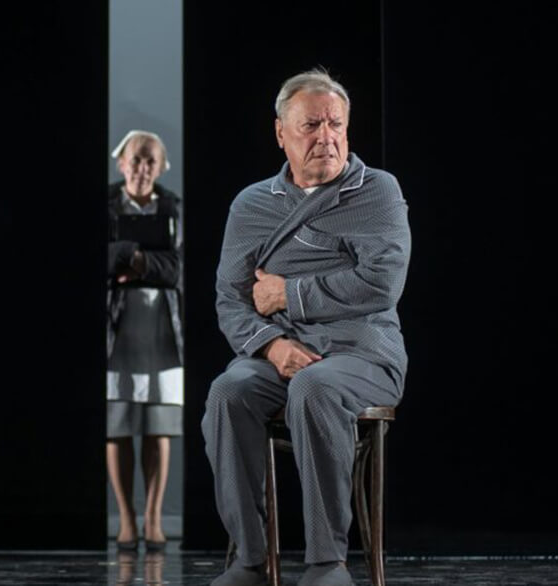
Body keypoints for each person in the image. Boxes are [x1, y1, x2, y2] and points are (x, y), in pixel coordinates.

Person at [203, 69, 410, 586]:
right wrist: (272, 346)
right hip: (279, 355)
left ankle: (326, 563)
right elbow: (231, 298)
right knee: (228, 391)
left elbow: (381, 283)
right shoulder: (252, 204)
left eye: (336, 124)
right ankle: (250, 560)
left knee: (315, 387)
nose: (326, 137)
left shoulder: (377, 191)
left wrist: (287, 293)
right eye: (311, 125)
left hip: (362, 353)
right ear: (281, 133)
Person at [106, 130, 184, 552]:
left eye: (150, 160)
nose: (142, 168)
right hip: (117, 327)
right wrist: (145, 261)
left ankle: (153, 518)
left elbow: (177, 269)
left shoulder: (173, 207)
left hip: (161, 326)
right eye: (136, 159)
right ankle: (126, 518)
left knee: (159, 423)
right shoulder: (106, 204)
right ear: (121, 163)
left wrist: (133, 260)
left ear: (161, 167)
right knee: (116, 422)